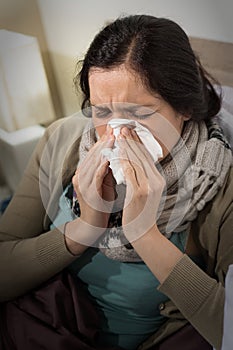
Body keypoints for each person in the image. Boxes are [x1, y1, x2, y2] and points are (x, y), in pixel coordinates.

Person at [0, 14, 232, 350]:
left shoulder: (222, 186)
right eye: (102, 112)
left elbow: (227, 330)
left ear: (184, 106)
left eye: (139, 114)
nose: (117, 133)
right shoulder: (60, 141)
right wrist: (82, 230)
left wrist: (144, 234)